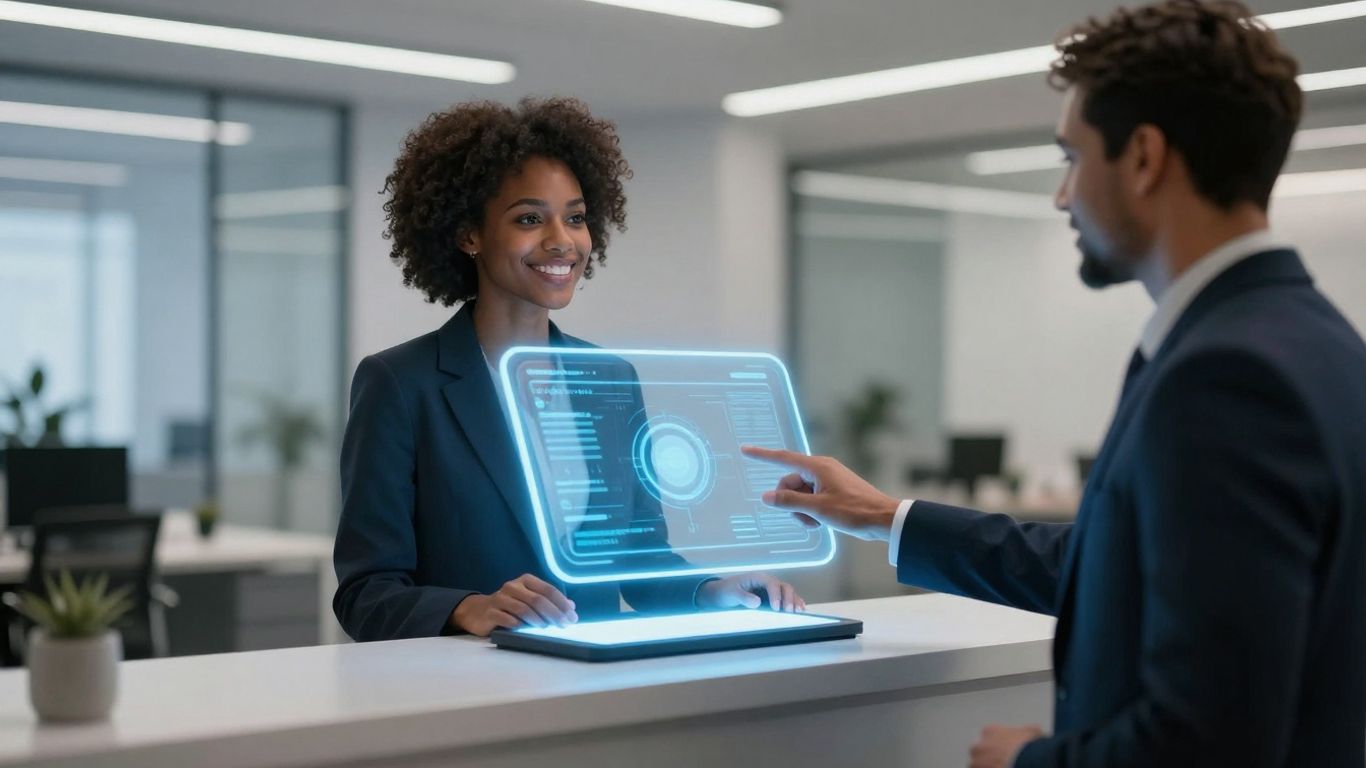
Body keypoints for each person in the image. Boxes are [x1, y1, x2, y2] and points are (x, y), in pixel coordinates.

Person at [744, 1, 1366, 765]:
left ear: (1143, 157)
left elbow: (1211, 739)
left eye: (1071, 158)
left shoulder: (1226, 377)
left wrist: (1031, 763)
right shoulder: (1317, 342)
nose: (1062, 196)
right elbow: (1115, 567)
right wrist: (884, 515)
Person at [334, 97, 803, 641]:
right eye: (530, 218)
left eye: (575, 218)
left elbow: (637, 558)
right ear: (469, 235)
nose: (562, 240)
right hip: (466, 694)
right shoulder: (401, 385)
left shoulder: (609, 377)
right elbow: (366, 593)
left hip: (595, 686)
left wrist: (712, 591)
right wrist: (467, 608)